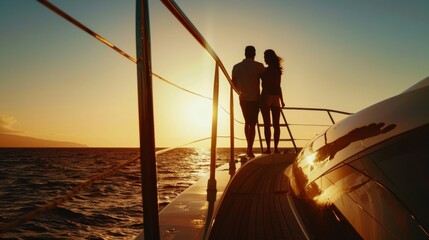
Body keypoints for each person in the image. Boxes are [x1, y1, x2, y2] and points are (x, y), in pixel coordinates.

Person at [232, 46, 265, 158]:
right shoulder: (259, 66)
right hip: (255, 99)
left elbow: (234, 85)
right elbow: (265, 81)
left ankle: (248, 148)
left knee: (247, 122)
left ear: (245, 53)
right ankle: (250, 149)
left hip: (243, 99)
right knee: (252, 124)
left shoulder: (236, 67)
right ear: (254, 53)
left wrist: (240, 93)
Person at [260, 49, 285, 154]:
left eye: (265, 57)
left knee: (267, 124)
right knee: (276, 125)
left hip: (267, 96)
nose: (264, 59)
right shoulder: (277, 70)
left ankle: (268, 148)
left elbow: (265, 85)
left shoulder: (265, 71)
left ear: (268, 58)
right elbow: (279, 86)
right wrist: (282, 100)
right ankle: (275, 148)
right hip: (276, 98)